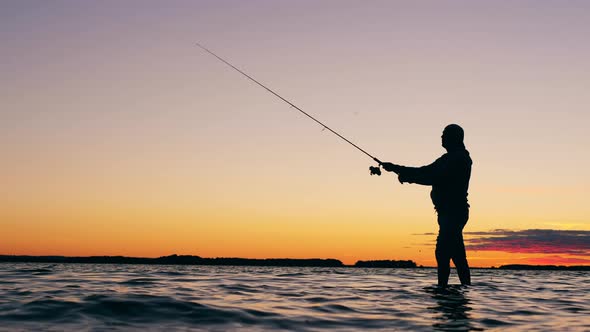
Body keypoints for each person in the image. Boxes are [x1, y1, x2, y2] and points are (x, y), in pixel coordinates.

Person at [380, 124, 472, 287]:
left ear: (454, 137)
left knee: (443, 252)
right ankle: (463, 290)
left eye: (444, 134)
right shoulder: (448, 158)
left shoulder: (459, 158)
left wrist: (409, 178)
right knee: (457, 254)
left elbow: (435, 177)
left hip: (453, 213)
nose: (441, 138)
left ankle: (443, 291)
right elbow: (424, 170)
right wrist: (395, 168)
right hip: (448, 214)